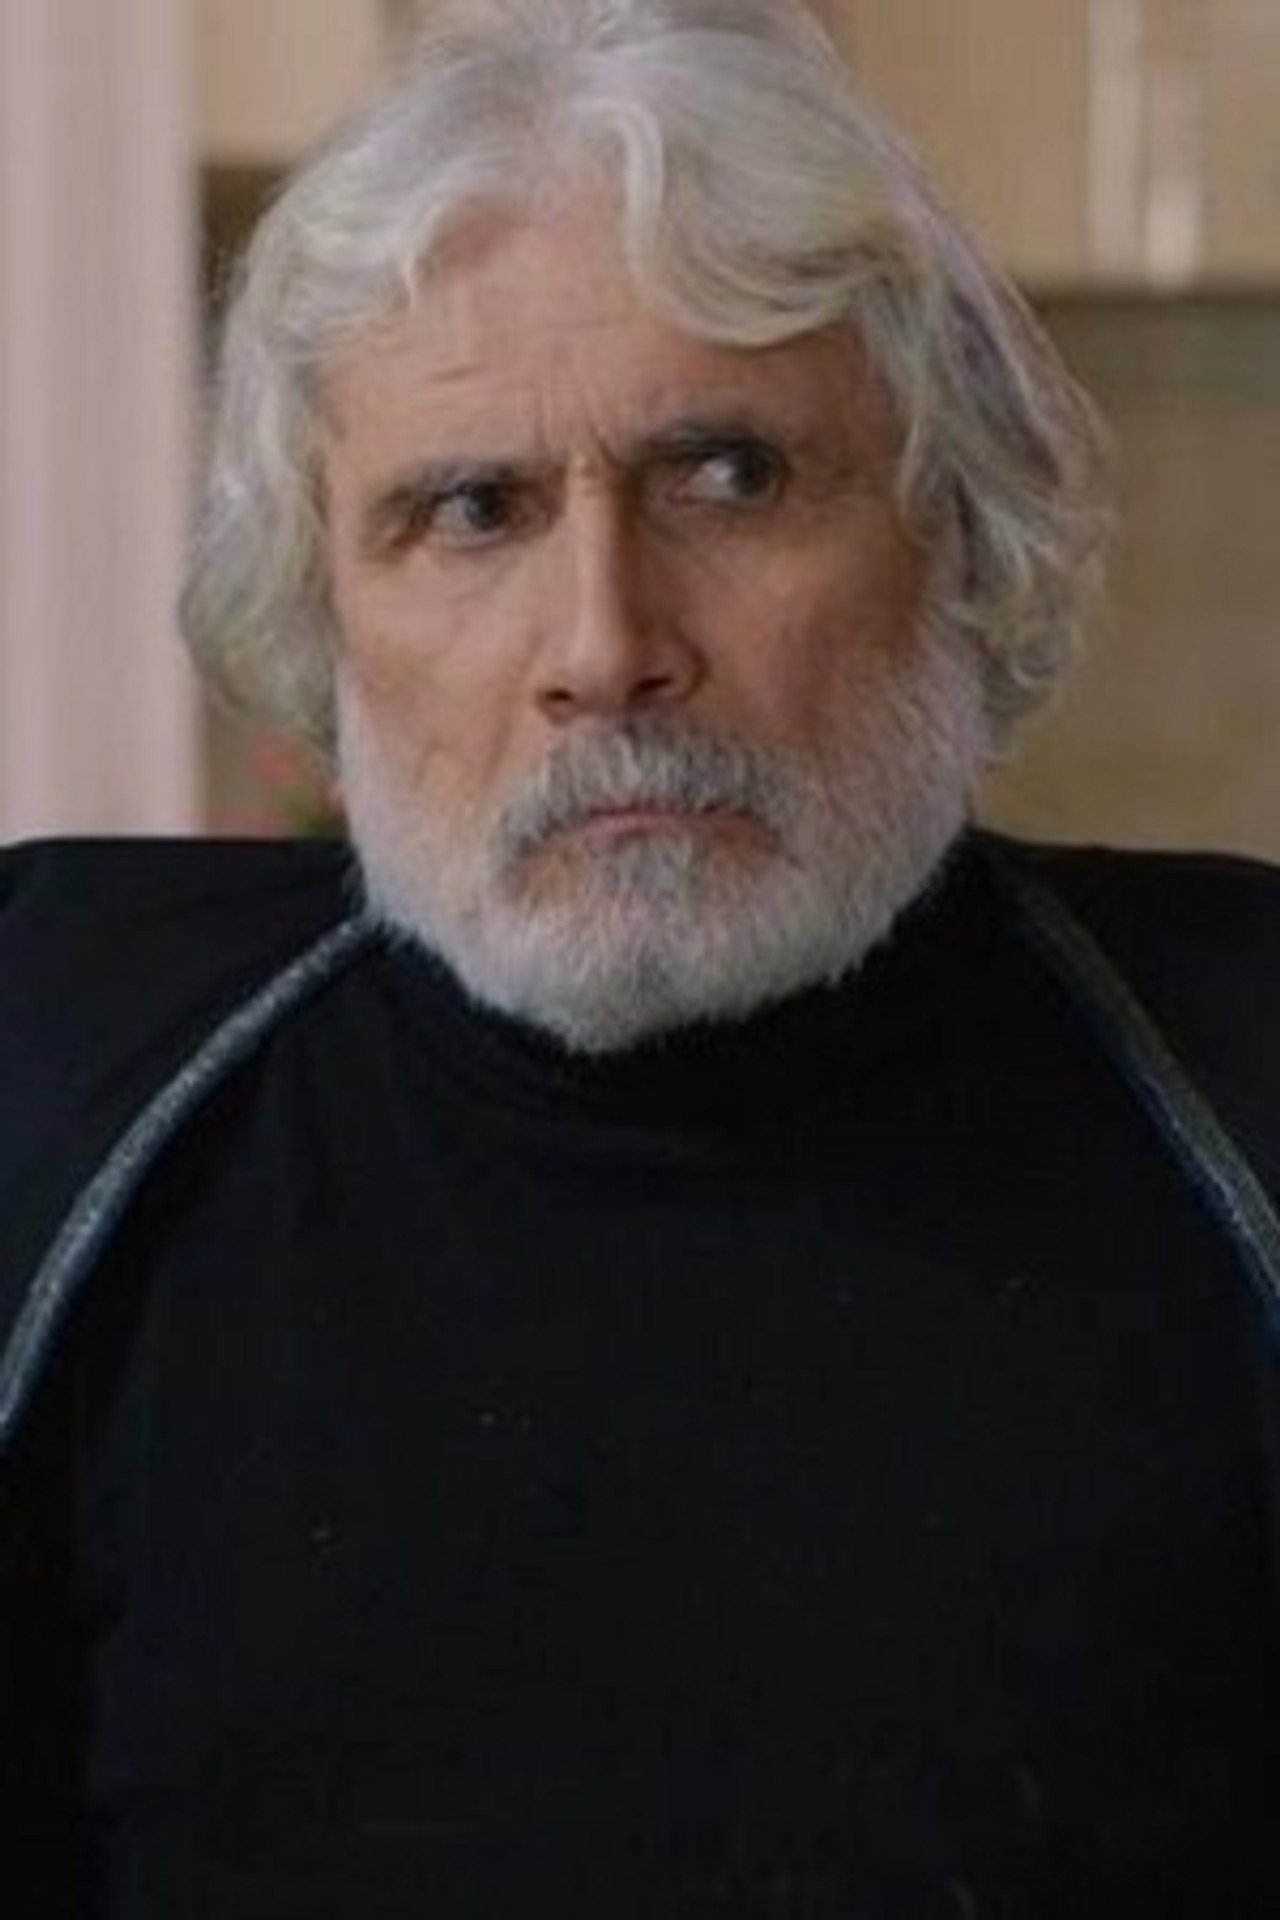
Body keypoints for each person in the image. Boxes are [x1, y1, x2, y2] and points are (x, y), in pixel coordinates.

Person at [2, 1, 1277, 1912]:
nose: (605, 645)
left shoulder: (1243, 1089)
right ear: (321, 608)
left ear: (957, 527)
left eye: (728, 475)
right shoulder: (57, 1092)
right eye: (471, 510)